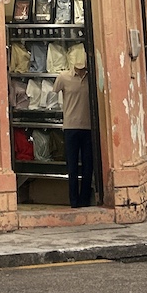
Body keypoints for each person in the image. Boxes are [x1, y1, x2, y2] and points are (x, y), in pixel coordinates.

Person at [55, 47, 93, 208]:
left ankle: (85, 199)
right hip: (70, 126)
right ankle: (74, 200)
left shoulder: (92, 78)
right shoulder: (63, 77)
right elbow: (55, 92)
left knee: (88, 166)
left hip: (89, 126)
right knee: (72, 166)